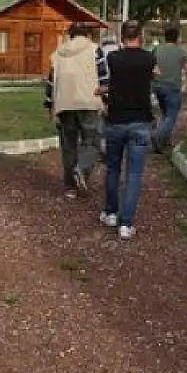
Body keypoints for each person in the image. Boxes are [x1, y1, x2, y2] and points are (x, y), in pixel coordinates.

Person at [100, 18, 156, 240]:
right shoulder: (149, 58)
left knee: (113, 168)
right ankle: (126, 224)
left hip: (116, 120)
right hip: (140, 121)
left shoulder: (113, 58)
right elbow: (155, 72)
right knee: (133, 173)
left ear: (122, 38)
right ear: (140, 37)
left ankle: (111, 212)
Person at [43, 23, 110, 198]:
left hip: (64, 104)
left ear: (70, 35)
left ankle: (70, 188)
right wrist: (107, 101)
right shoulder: (95, 50)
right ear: (86, 34)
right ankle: (81, 170)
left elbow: (51, 81)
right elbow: (104, 78)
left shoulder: (58, 53)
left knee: (68, 146)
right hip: (88, 102)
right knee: (93, 142)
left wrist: (48, 105)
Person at [151, 22, 187, 153]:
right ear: (177, 38)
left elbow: (151, 68)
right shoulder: (181, 52)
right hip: (172, 88)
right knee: (171, 116)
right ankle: (157, 136)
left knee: (165, 114)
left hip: (157, 87)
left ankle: (165, 141)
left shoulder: (157, 50)